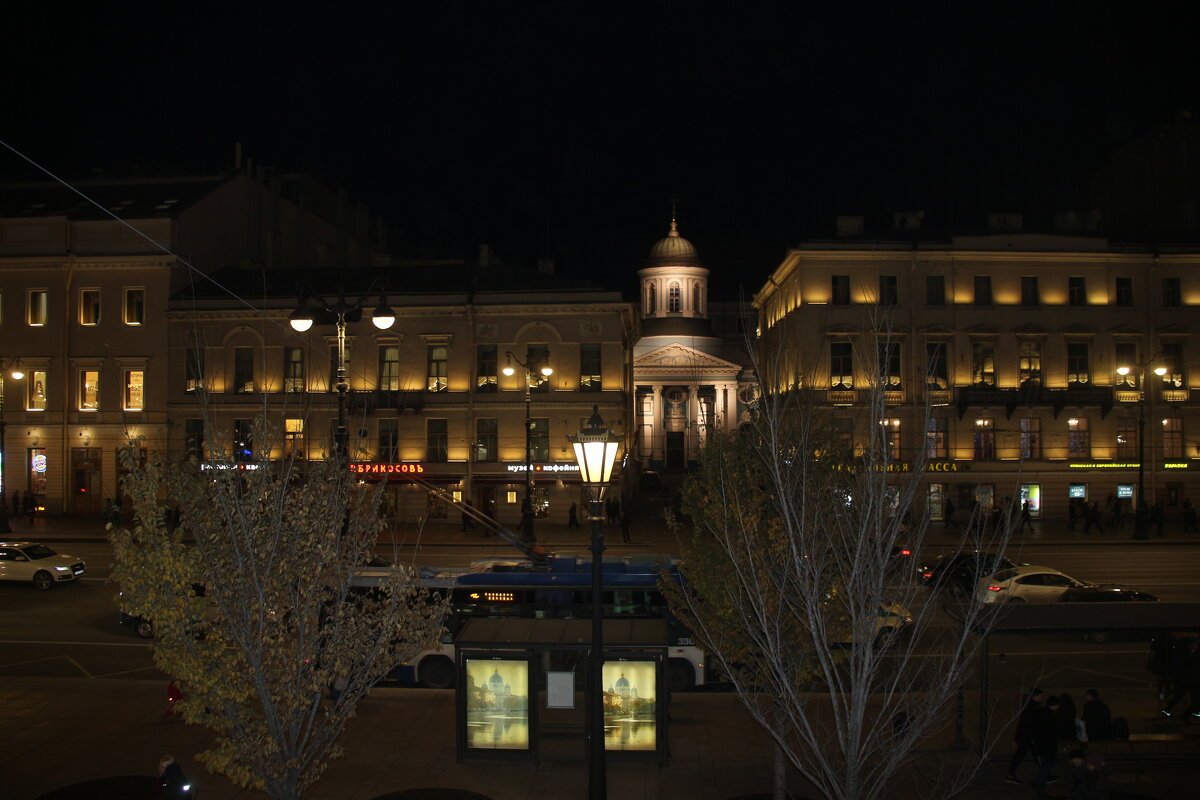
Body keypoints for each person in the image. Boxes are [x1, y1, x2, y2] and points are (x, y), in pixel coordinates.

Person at [1007, 688, 1046, 784]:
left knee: (1031, 755)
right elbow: (1025, 725)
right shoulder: (1031, 709)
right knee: (1032, 755)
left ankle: (1046, 773)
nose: (1042, 698)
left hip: (1027, 737)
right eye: (1040, 696)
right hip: (1028, 738)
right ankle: (1046, 773)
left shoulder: (1030, 708)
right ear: (1034, 697)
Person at [1030, 695, 1061, 797]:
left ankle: (1036, 782)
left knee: (1044, 767)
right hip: (1048, 747)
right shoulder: (1050, 716)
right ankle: (1041, 791)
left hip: (1039, 745)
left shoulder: (1040, 713)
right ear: (1056, 705)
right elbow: (1051, 733)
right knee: (1046, 769)